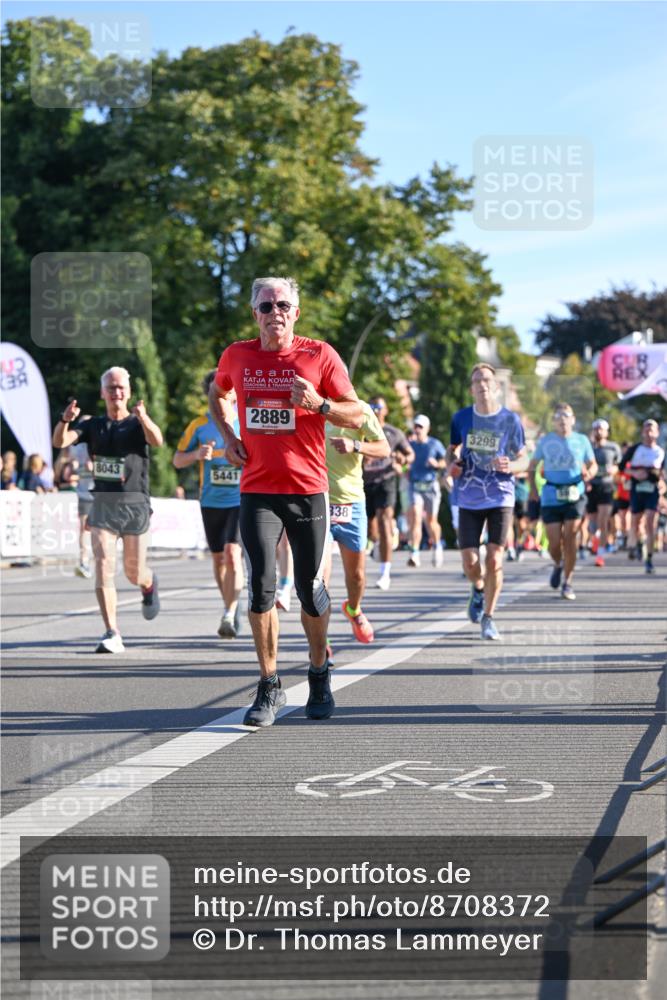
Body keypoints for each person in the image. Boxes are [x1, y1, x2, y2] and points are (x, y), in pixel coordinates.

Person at [208, 276, 363, 728]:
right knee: (261, 587)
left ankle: (319, 672)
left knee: (310, 591)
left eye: (282, 305)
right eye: (266, 305)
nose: (274, 312)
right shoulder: (237, 355)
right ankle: (269, 683)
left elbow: (357, 413)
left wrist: (320, 405)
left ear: (296, 312)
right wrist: (229, 435)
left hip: (307, 490)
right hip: (258, 490)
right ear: (254, 313)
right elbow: (218, 392)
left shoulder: (320, 355)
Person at [53, 366, 163, 653]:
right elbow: (60, 441)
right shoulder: (93, 425)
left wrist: (144, 417)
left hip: (135, 504)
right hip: (102, 503)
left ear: (129, 391)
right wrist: (65, 420)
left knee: (133, 572)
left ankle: (148, 583)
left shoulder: (138, 423)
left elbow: (157, 441)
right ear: (103, 392)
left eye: (121, 387)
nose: (116, 392)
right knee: (103, 563)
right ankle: (112, 631)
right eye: (111, 388)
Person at [447, 364, 526, 640]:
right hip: (469, 496)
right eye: (477, 381)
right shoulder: (461, 418)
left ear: (496, 386)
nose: (482, 384)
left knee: (494, 558)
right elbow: (452, 451)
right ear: (472, 389)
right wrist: (451, 466)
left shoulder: (510, 420)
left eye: (487, 380)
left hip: (501, 495)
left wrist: (511, 465)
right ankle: (478, 588)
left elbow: (525, 459)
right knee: (470, 563)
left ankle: (489, 618)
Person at [174, 370, 244, 638]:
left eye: (229, 389)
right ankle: (230, 604)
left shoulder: (245, 422)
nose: (225, 394)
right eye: (220, 390)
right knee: (218, 559)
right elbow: (177, 460)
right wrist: (196, 454)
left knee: (232, 553)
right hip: (211, 501)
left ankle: (229, 612)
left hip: (240, 499)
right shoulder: (199, 425)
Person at [324, 400, 390, 645]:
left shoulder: (360, 409)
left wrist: (355, 445)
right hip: (318, 501)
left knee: (357, 576)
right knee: (319, 578)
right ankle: (321, 642)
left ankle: (353, 609)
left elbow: (384, 448)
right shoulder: (308, 405)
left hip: (351, 503)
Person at [528, 402, 597, 601]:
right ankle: (558, 564)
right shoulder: (546, 441)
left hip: (575, 493)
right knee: (553, 543)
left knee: (570, 537)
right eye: (558, 417)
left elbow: (593, 464)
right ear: (553, 421)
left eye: (566, 416)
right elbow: (533, 465)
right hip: (551, 494)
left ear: (573, 420)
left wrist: (589, 473)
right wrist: (533, 489)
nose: (563, 420)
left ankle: (568, 581)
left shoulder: (582, 440)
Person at [363, 396, 414, 590]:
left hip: (387, 480)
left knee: (385, 520)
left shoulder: (393, 433)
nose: (375, 410)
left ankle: (385, 573)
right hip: (364, 482)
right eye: (372, 407)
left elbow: (410, 454)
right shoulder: (360, 430)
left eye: (379, 407)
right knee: (371, 530)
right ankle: (379, 543)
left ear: (385, 411)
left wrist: (403, 460)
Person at [620, 419, 665, 574]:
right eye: (646, 430)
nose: (649, 433)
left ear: (657, 433)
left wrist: (662, 485)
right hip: (637, 490)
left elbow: (663, 474)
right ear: (642, 432)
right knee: (636, 523)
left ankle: (649, 559)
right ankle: (638, 544)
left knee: (650, 522)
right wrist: (634, 473)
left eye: (652, 430)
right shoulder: (635, 449)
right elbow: (621, 467)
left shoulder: (660, 452)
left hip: (652, 491)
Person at [406, 414, 447, 567]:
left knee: (431, 521)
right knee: (416, 517)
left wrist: (437, 464)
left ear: (427, 429)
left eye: (420, 427)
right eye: (415, 426)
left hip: (430, 486)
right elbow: (403, 460)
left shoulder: (435, 444)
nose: (417, 429)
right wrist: (404, 467)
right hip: (415, 485)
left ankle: (437, 546)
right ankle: (415, 552)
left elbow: (446, 460)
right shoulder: (410, 445)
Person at [586, 418, 622, 567]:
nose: (599, 431)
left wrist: (614, 469)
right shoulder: (588, 447)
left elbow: (619, 465)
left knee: (603, 519)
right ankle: (594, 541)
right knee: (593, 523)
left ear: (607, 432)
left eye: (602, 429)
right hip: (591, 487)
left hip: (607, 486)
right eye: (596, 429)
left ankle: (600, 554)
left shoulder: (613, 447)